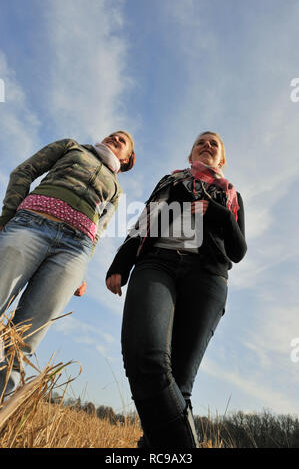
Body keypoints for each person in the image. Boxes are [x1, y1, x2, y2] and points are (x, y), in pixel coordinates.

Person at [105, 131, 247, 448]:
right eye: (201, 142)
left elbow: (238, 251)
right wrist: (121, 261)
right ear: (190, 155)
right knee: (146, 357)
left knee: (180, 387)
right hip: (158, 263)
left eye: (214, 143)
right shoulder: (171, 182)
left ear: (221, 159)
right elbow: (144, 220)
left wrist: (218, 212)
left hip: (208, 277)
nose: (207, 145)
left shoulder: (229, 194)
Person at [0, 130, 135, 398]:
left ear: (128, 159)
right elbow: (23, 171)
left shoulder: (117, 191)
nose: (116, 139)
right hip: (32, 223)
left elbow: (98, 231)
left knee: (25, 340)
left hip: (75, 250)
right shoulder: (71, 148)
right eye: (113, 135)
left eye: (124, 141)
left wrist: (82, 271)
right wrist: (7, 219)